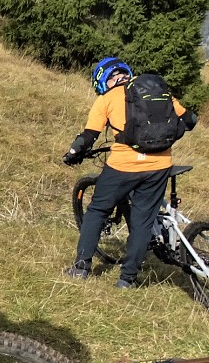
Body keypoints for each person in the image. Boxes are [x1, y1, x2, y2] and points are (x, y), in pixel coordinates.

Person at [63, 57, 196, 287]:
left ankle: (81, 267)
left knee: (97, 210)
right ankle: (127, 280)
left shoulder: (107, 99)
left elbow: (88, 137)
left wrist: (73, 153)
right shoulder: (156, 89)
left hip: (123, 166)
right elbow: (190, 120)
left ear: (103, 81)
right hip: (159, 166)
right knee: (143, 221)